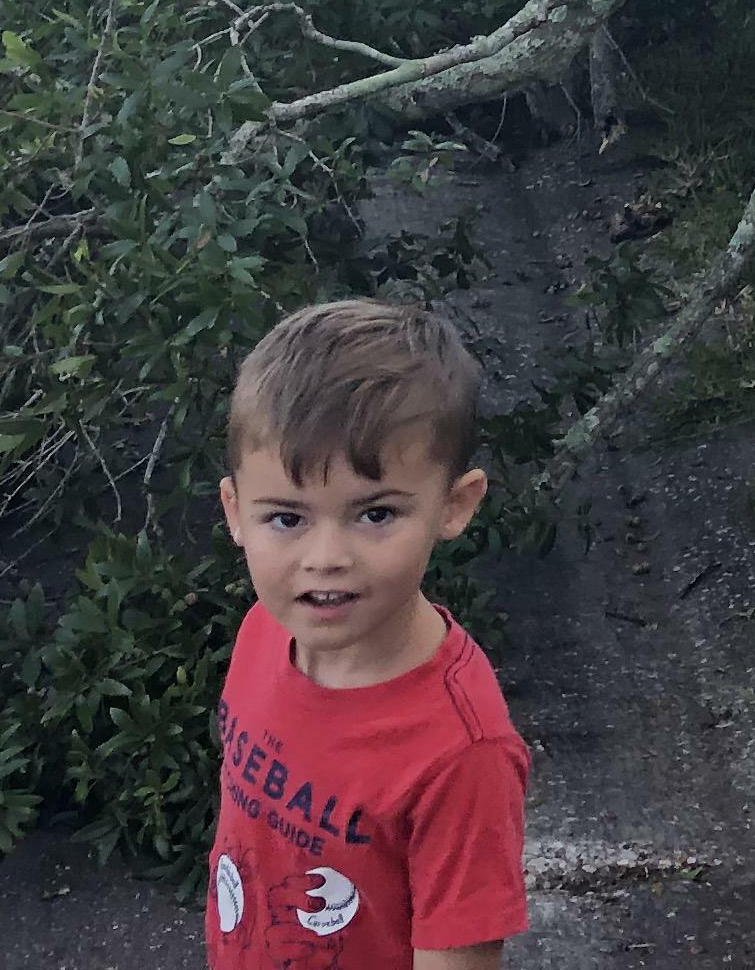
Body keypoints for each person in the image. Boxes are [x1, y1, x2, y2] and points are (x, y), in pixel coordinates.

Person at [209, 300, 529, 969]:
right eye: (287, 519)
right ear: (236, 512)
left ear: (455, 504)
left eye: (375, 513)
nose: (326, 557)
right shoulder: (264, 632)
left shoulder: (461, 753)